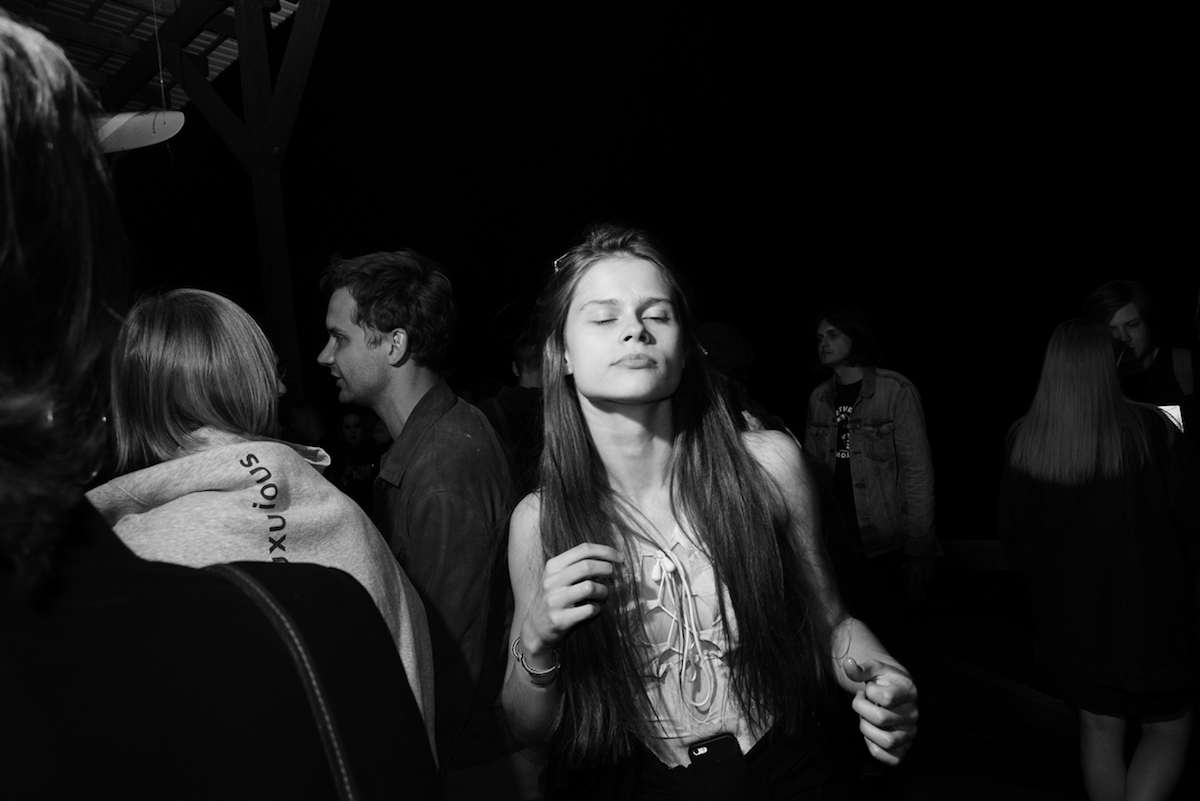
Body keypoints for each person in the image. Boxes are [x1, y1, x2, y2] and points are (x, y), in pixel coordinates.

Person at [0, 11, 437, 798]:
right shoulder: (345, 539)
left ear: (131, 388)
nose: (309, 366)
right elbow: (410, 727)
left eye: (336, 338)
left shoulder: (102, 573)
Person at [502, 225, 917, 799]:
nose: (635, 329)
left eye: (658, 314)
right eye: (603, 317)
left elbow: (833, 625)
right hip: (637, 779)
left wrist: (882, 674)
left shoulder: (768, 467)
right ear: (563, 354)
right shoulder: (540, 521)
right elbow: (528, 728)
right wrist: (537, 641)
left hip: (791, 766)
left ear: (683, 348)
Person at [85, 288, 436, 754]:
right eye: (271, 374)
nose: (283, 391)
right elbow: (411, 692)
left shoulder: (116, 562)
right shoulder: (341, 515)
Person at [318, 252, 519, 795]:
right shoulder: (430, 443)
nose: (324, 355)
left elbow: (444, 661)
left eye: (339, 338)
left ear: (394, 345)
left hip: (468, 764)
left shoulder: (442, 469)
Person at [1000, 319, 1200, 801]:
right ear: (1112, 362)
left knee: (1099, 730)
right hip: (1151, 620)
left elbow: (1015, 542)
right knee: (1168, 729)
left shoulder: (1024, 438)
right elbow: (1191, 526)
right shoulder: (1152, 429)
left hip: (1072, 628)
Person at [804, 306, 939, 644]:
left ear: (856, 335)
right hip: (838, 544)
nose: (823, 343)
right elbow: (810, 476)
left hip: (887, 543)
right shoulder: (819, 398)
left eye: (832, 334)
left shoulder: (896, 390)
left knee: (894, 639)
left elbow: (918, 471)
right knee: (847, 640)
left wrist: (920, 548)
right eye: (819, 338)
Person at [1083, 280, 1199, 441]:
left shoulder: (1187, 365)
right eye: (1111, 330)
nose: (1123, 338)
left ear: (1148, 324)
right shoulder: (1092, 379)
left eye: (1132, 325)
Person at [478, 330, 543, 497]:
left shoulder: (487, 411)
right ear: (548, 367)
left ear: (515, 368)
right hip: (555, 503)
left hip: (510, 504)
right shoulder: (566, 412)